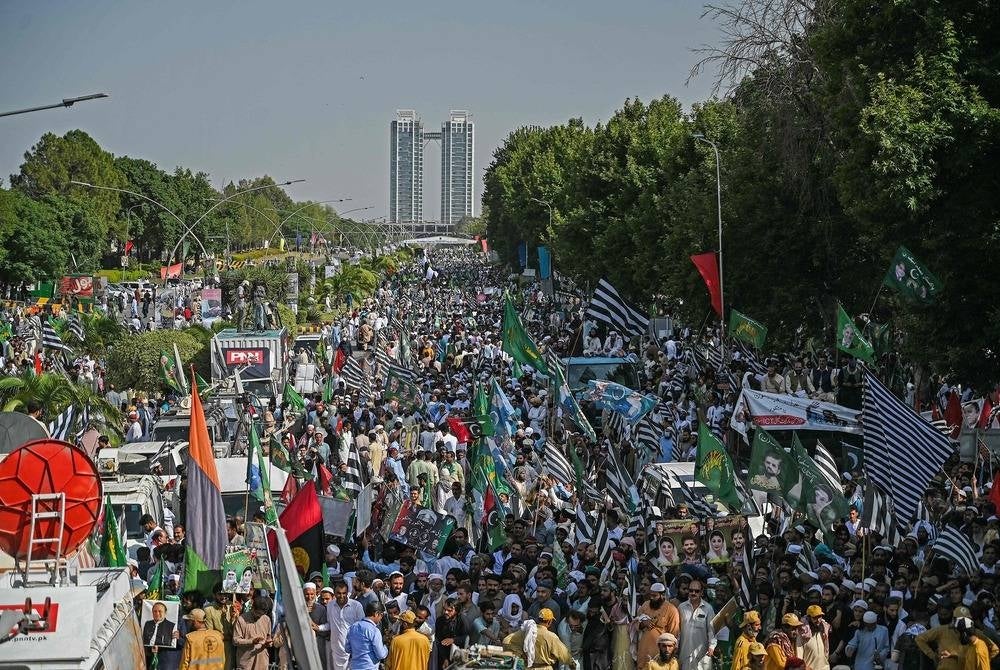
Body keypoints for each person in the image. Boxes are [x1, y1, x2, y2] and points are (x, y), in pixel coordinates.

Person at [502, 608, 575, 670]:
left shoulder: (527, 631)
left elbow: (506, 641)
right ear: (550, 622)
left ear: (538, 619)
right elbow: (564, 655)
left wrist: (520, 654)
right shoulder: (551, 636)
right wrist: (572, 665)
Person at [636, 583, 681, 670]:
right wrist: (643, 623)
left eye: (654, 596)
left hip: (661, 652)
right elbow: (636, 623)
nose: (651, 598)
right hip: (644, 649)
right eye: (650, 595)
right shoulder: (645, 605)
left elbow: (674, 634)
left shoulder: (672, 610)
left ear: (662, 595)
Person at [677, 578, 716, 670]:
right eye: (691, 590)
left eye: (696, 591)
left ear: (702, 592)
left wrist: (712, 646)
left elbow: (711, 631)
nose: (693, 593)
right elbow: (677, 631)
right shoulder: (681, 607)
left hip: (702, 655)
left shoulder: (708, 608)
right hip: (684, 654)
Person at [328, 581, 366, 669]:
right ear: (334, 593)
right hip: (337, 650)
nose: (341, 596)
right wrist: (318, 627)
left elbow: (362, 627)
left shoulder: (356, 605)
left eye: (344, 593)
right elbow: (330, 624)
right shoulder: (330, 605)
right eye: (339, 593)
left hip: (354, 649)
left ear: (347, 593)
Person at [345, 601, 389, 670]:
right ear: (376, 614)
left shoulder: (353, 627)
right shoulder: (374, 630)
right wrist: (386, 647)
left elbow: (347, 649)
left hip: (354, 667)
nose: (381, 618)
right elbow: (381, 655)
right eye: (381, 615)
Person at [232, 596, 272, 670]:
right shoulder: (241, 619)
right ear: (252, 608)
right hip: (246, 661)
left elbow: (269, 638)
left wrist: (269, 643)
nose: (259, 616)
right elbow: (235, 640)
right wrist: (252, 641)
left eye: (262, 614)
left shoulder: (266, 619)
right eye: (258, 613)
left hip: (262, 660)